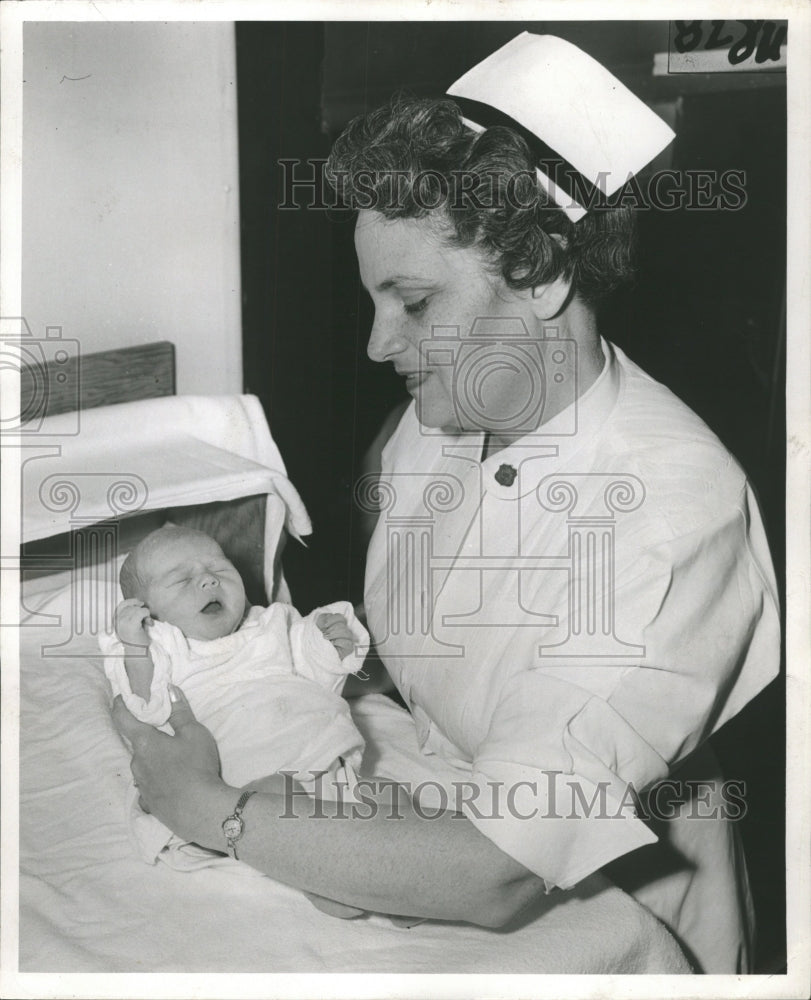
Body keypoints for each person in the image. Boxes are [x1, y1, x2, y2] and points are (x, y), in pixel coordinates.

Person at [112, 34, 780, 972]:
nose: (381, 345)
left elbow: (499, 867)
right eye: (374, 303)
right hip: (423, 823)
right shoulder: (431, 423)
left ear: (543, 274)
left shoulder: (666, 511)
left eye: (415, 303)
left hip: (605, 916)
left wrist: (202, 806)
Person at [102, 524, 368, 875]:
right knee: (280, 796)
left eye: (220, 568)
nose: (210, 581)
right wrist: (136, 646)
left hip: (325, 760)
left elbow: (317, 675)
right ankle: (329, 876)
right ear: (145, 613)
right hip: (247, 785)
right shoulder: (164, 649)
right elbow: (144, 705)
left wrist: (328, 642)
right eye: (182, 580)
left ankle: (399, 877)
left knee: (383, 797)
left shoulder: (271, 622)